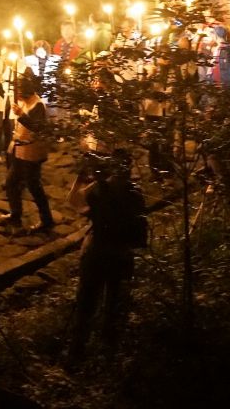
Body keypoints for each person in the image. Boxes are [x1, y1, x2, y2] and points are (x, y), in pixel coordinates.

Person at [67, 149, 147, 355]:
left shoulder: (100, 189)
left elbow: (74, 201)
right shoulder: (136, 195)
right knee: (115, 304)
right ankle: (109, 350)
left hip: (96, 251)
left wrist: (82, 177)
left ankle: (77, 351)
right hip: (121, 255)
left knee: (86, 303)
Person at [1, 69, 56, 235]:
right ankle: (15, 214)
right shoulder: (25, 102)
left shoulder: (37, 105)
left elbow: (38, 127)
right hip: (20, 150)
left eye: (18, 91)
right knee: (11, 183)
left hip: (32, 153)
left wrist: (21, 115)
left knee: (34, 187)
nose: (16, 94)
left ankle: (47, 220)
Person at [0, 43, 23, 164]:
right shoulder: (6, 69)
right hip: (7, 105)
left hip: (19, 109)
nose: (3, 57)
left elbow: (25, 91)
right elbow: (4, 93)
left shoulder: (23, 68)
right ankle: (9, 160)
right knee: (7, 131)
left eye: (6, 54)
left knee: (16, 132)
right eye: (2, 54)